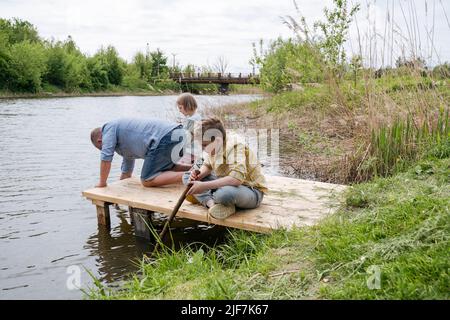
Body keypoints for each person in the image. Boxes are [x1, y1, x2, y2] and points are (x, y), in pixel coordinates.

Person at [183, 117, 267, 219]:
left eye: (204, 145)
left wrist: (203, 186)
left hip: (250, 190)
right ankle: (212, 204)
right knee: (187, 177)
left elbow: (236, 180)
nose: (203, 149)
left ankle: (206, 197)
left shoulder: (235, 146)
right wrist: (198, 175)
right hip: (224, 182)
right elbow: (208, 165)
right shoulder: (216, 142)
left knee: (223, 195)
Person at [90, 118, 190, 188]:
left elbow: (106, 157)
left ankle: (189, 176)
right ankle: (196, 170)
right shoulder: (122, 139)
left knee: (147, 179)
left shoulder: (108, 128)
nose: (105, 149)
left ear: (100, 141)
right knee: (165, 168)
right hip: (180, 134)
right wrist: (121, 184)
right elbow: (127, 170)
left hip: (167, 137)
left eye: (101, 148)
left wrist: (102, 183)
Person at [176, 93, 202, 165]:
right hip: (198, 151)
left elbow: (186, 137)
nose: (179, 111)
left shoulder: (191, 120)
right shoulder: (198, 116)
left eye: (180, 108)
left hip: (192, 152)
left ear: (187, 106)